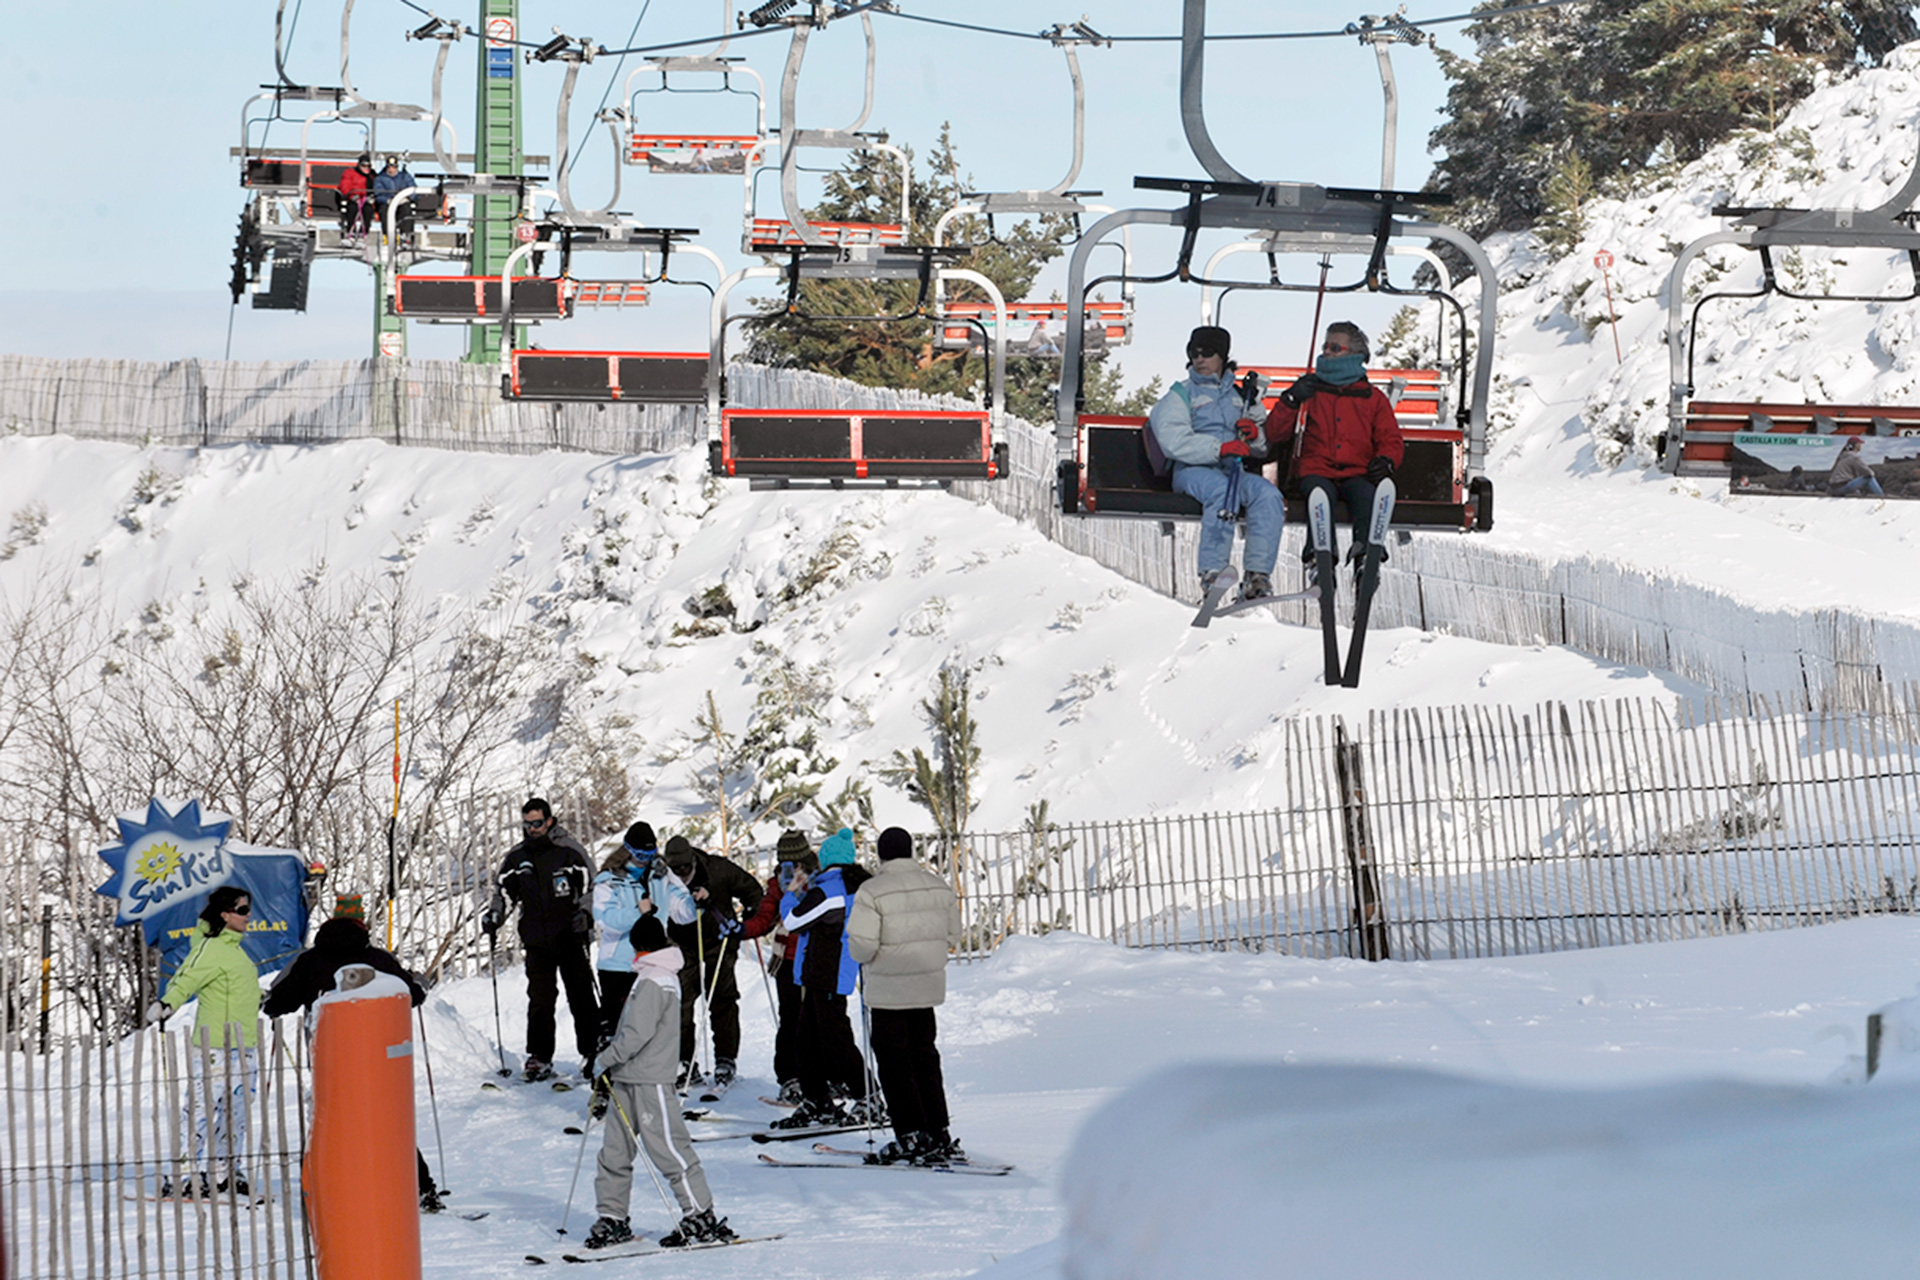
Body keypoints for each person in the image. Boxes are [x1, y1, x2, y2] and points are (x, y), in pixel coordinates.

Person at [261, 898, 443, 1210]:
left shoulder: (308, 961)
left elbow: (276, 1003)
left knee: (329, 1122)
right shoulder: (378, 960)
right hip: (376, 1058)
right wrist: (417, 985)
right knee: (388, 1122)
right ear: (362, 926)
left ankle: (325, 1190)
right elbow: (411, 995)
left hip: (327, 1058)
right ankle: (422, 1188)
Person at [585, 915, 735, 1251]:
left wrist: (604, 1059)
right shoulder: (649, 975)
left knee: (668, 1148)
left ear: (641, 946)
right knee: (614, 1152)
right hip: (627, 1078)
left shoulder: (657, 978)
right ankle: (613, 1216)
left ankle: (700, 1212)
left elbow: (637, 1034)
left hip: (650, 1079)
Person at [846, 827, 965, 1166]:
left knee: (895, 1064)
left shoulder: (872, 891)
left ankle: (911, 1135)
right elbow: (953, 934)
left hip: (887, 993)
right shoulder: (937, 886)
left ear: (881, 855)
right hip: (926, 990)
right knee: (926, 1058)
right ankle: (938, 1130)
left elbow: (862, 946)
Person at [1148, 325, 1282, 602]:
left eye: (1207, 353)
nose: (1199, 359)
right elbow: (1173, 439)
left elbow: (1261, 445)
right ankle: (1212, 571)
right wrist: (1218, 448)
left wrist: (1255, 436)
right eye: (1194, 353)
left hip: (1233, 470)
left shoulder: (1242, 397)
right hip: (1193, 470)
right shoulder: (1182, 394)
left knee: (1268, 496)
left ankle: (1257, 576)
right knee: (1222, 493)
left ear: (1222, 356)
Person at [148, 884, 261, 1199]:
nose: (248, 915)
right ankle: (184, 1173)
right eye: (241, 910)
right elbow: (187, 977)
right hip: (215, 1046)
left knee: (235, 1112)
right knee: (201, 1109)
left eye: (247, 909)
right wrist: (167, 1005)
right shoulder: (209, 947)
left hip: (245, 1044)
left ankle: (225, 1171)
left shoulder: (236, 949)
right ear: (224, 915)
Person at [1265, 321, 1405, 575]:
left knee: (1366, 497)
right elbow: (1275, 432)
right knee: (1319, 496)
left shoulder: (1373, 399)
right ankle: (1320, 555)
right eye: (1325, 346)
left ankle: (1365, 553)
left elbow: (1390, 438)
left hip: (1358, 472)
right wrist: (1291, 399)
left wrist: (1386, 460)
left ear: (1353, 355)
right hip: (1317, 470)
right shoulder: (1309, 391)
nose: (1327, 352)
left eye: (1335, 347)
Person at [770, 828, 879, 1130]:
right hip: (826, 971)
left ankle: (868, 1096)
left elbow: (793, 921)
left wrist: (790, 893)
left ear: (827, 858)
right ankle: (817, 1100)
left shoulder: (830, 889)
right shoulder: (853, 885)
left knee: (835, 1039)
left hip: (826, 973)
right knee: (807, 1040)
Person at [482, 798, 598, 1083]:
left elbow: (593, 888)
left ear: (549, 821)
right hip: (536, 940)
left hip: (571, 936)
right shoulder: (517, 858)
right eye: (527, 823)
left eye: (537, 823)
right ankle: (540, 1057)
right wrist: (495, 915)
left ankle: (593, 1051)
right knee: (541, 1000)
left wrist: (586, 913)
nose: (532, 828)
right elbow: (504, 893)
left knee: (581, 996)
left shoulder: (569, 852)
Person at [658, 835, 764, 1090]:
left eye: (685, 868)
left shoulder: (717, 869)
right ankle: (685, 1061)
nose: (682, 874)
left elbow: (753, 890)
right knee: (682, 1000)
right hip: (682, 944)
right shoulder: (662, 878)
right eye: (676, 869)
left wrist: (750, 914)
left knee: (722, 998)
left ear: (693, 860)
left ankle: (726, 1060)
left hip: (719, 940)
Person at [592, 823, 694, 1049]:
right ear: (627, 850)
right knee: (617, 1027)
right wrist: (638, 911)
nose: (644, 860)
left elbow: (681, 911)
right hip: (619, 965)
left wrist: (695, 903)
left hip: (653, 962)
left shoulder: (662, 874)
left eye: (649, 855)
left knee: (648, 1027)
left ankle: (647, 1074)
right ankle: (606, 1073)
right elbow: (606, 920)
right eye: (639, 855)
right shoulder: (609, 879)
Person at [738, 830, 817, 1104]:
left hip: (814, 959)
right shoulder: (777, 885)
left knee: (819, 1021)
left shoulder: (818, 881)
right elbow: (765, 917)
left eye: (794, 863)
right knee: (791, 1021)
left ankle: (824, 1076)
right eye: (784, 863)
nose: (789, 869)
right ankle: (789, 1078)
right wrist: (742, 929)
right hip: (787, 961)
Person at [371, 155, 416, 235]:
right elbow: (378, 193)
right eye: (389, 167)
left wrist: (407, 198)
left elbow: (413, 189)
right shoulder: (380, 178)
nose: (392, 169)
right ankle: (388, 235)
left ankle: (405, 235)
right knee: (384, 212)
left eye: (394, 167)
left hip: (402, 203)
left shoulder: (405, 177)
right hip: (387, 203)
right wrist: (388, 200)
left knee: (406, 210)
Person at [337, 154, 374, 241]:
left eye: (368, 166)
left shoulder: (372, 176)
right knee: (352, 209)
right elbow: (344, 185)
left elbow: (375, 187)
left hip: (365, 200)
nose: (365, 168)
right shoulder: (350, 173)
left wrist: (372, 196)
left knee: (368, 211)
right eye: (363, 166)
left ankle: (363, 233)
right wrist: (351, 195)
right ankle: (350, 231)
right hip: (353, 198)